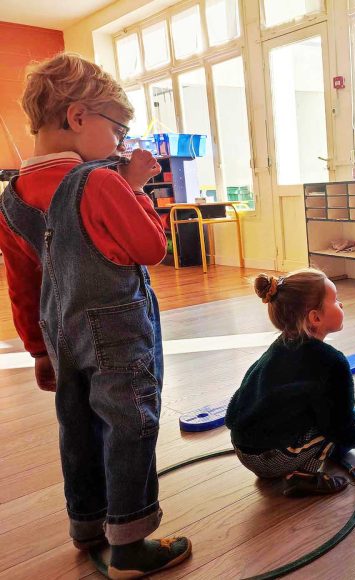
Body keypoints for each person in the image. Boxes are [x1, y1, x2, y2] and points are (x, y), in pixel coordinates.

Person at [0, 53, 191, 578]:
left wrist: (38, 351)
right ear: (79, 116)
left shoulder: (10, 200)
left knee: (77, 426)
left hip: (59, 335)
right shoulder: (100, 182)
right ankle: (129, 544)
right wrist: (136, 189)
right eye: (118, 130)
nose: (121, 144)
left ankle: (86, 526)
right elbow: (151, 248)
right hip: (117, 332)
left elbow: (23, 284)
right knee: (131, 422)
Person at [225, 269, 355, 496]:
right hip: (270, 457)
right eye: (335, 300)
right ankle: (303, 476)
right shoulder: (332, 362)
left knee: (324, 410)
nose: (341, 304)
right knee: (339, 421)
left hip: (242, 447)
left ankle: (281, 461)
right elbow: (341, 425)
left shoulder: (280, 346)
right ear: (315, 318)